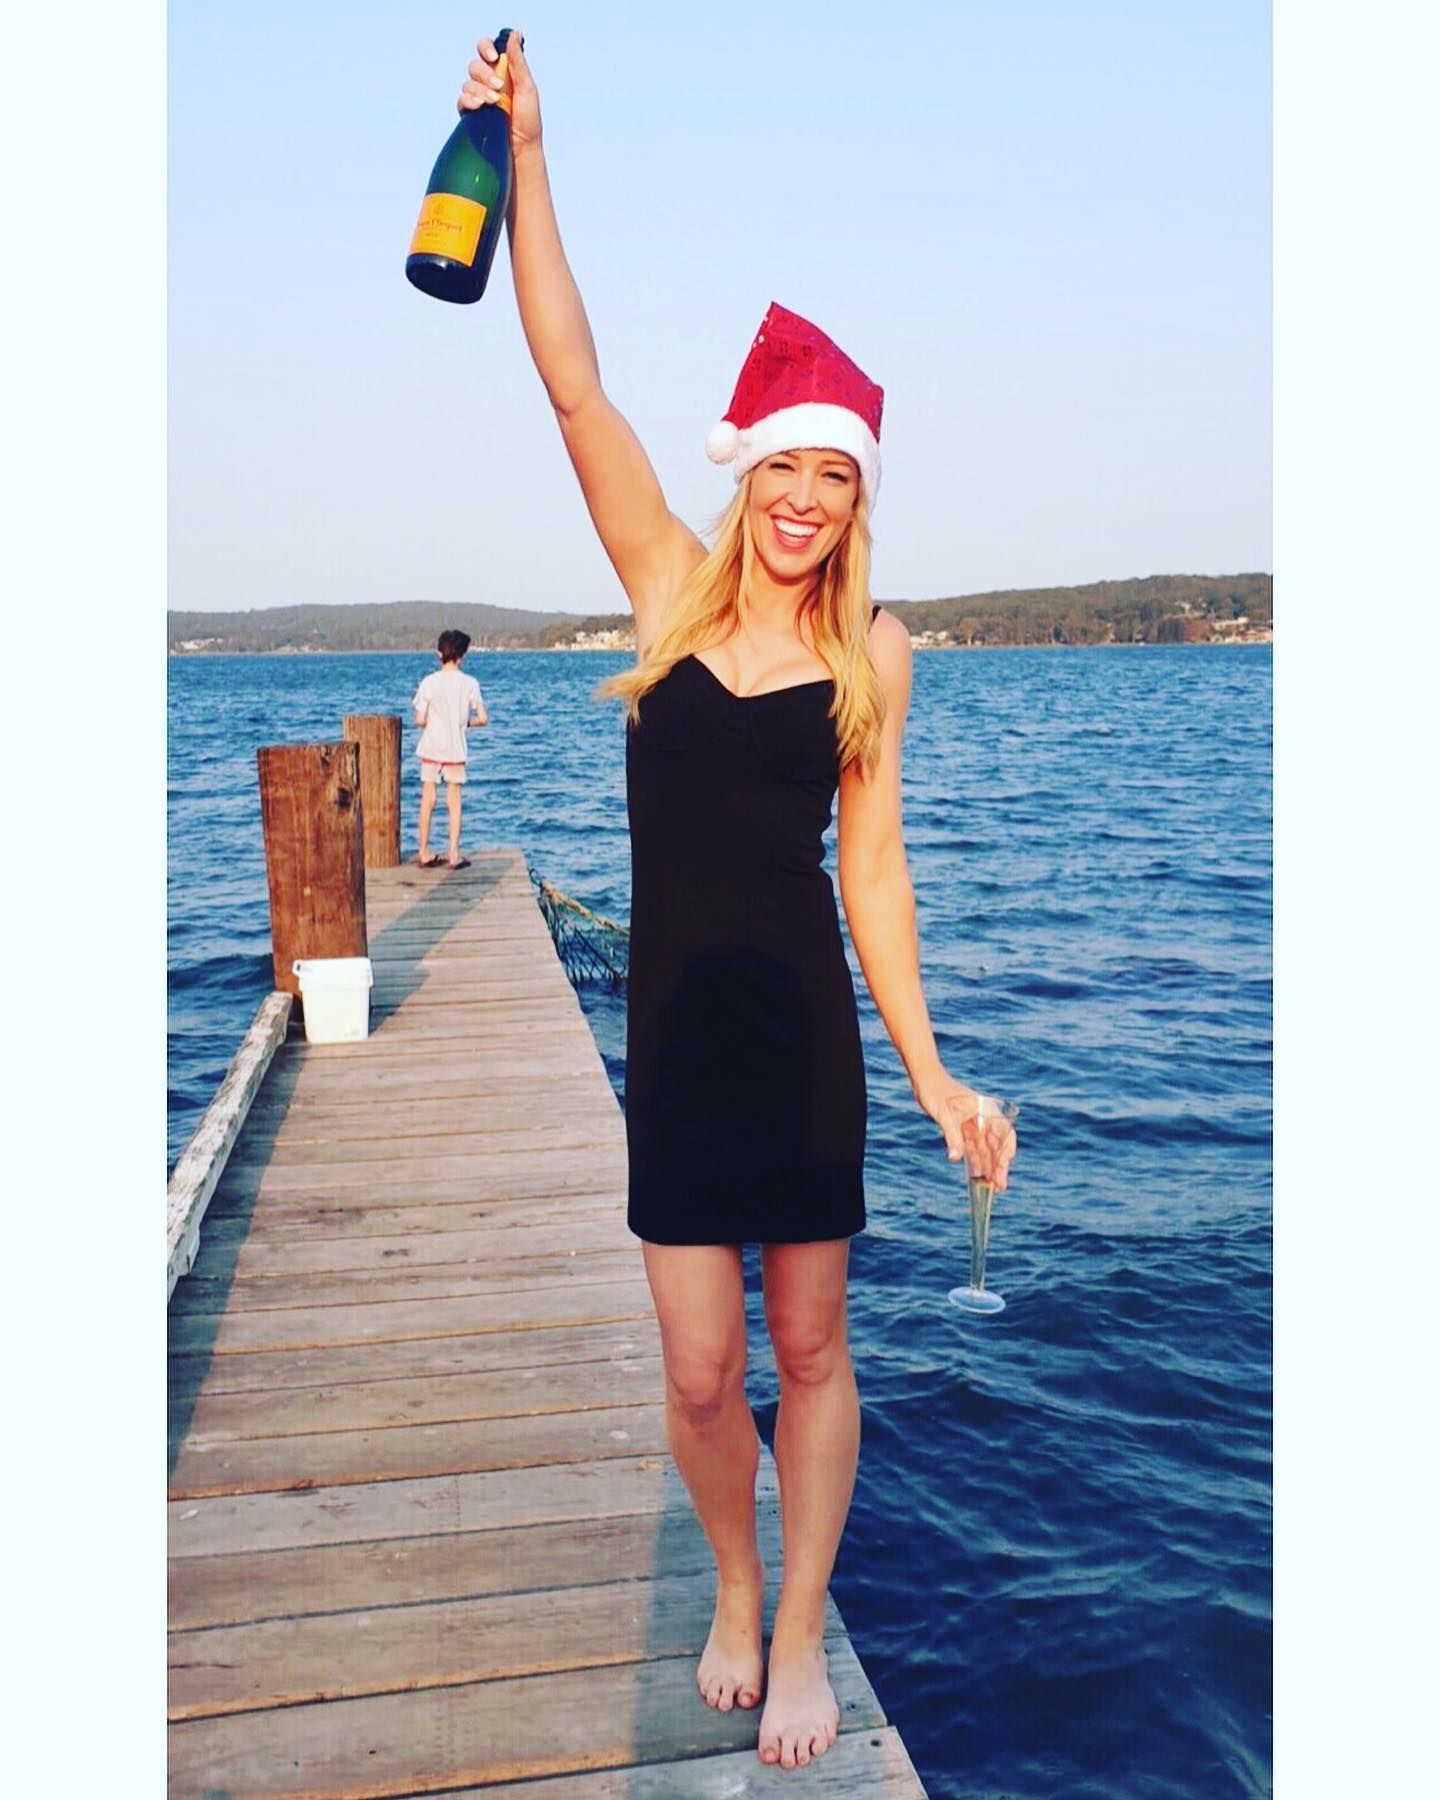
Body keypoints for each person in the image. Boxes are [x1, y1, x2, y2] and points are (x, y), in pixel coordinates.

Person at [458, 34, 1019, 1773]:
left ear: (858, 498)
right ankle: (730, 1580)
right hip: (685, 1044)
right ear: (749, 472)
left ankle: (797, 1633)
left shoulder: (876, 654)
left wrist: (932, 1075)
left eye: (835, 476)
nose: (804, 500)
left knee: (813, 1347)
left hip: (805, 1045)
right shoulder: (663, 591)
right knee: (703, 1373)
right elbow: (573, 385)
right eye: (786, 468)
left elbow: (874, 872)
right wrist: (527, 155)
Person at [412, 628, 488, 868]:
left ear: (439, 654)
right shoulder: (470, 684)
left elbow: (420, 720)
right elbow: (483, 718)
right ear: (462, 656)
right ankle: (454, 854)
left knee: (428, 798)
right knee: (454, 800)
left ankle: (424, 851)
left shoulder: (428, 682)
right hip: (455, 748)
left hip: (431, 746)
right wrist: (465, 723)